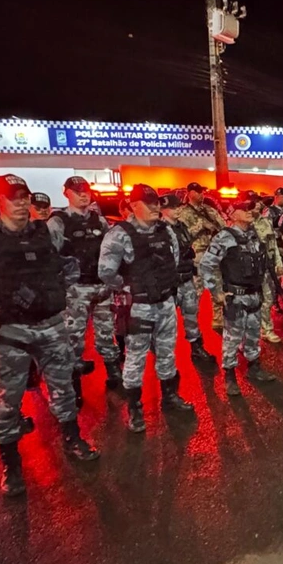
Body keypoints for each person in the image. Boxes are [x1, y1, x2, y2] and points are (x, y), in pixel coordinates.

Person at [0, 174, 99, 495]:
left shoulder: (45, 233)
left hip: (50, 324)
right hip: (9, 332)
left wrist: (58, 293)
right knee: (9, 399)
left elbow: (71, 264)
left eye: (24, 197)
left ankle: (73, 439)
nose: (20, 203)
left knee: (63, 387)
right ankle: (11, 463)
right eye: (13, 197)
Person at [98, 184, 193, 432]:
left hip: (164, 303)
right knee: (136, 358)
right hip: (138, 307)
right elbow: (106, 273)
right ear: (133, 206)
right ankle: (135, 408)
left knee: (167, 352)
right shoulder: (119, 234)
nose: (155, 208)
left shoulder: (165, 230)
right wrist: (129, 286)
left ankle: (170, 397)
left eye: (156, 203)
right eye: (148, 203)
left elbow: (172, 261)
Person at [47, 176, 119, 398]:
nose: (83, 194)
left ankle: (114, 374)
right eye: (77, 191)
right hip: (75, 290)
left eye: (85, 190)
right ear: (66, 193)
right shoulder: (58, 222)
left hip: (101, 287)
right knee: (73, 337)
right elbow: (49, 257)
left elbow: (112, 250)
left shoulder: (100, 221)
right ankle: (73, 383)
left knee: (107, 333)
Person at [200, 196, 278, 396]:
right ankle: (229, 375)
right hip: (235, 296)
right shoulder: (225, 237)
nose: (249, 212)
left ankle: (254, 368)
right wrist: (216, 292)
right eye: (244, 209)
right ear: (232, 214)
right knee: (232, 338)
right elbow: (206, 265)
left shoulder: (253, 234)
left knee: (253, 334)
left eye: (251, 209)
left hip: (254, 294)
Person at [161, 192, 218, 367]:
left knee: (191, 315)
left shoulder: (181, 226)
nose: (177, 210)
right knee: (166, 322)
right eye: (172, 207)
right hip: (170, 282)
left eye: (178, 206)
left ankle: (197, 348)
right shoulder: (160, 229)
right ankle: (165, 357)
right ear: (163, 209)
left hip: (186, 278)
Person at [176, 182, 226, 331]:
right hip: (197, 253)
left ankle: (218, 319)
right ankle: (192, 322)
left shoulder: (208, 210)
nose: (201, 195)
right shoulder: (183, 213)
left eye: (202, 192)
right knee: (196, 289)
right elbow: (183, 235)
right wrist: (200, 226)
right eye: (197, 192)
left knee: (217, 285)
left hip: (213, 252)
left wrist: (213, 218)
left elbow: (223, 225)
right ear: (190, 193)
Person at [251, 199, 283, 345]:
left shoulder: (265, 222)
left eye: (257, 203)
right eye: (253, 204)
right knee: (255, 301)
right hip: (252, 269)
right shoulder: (243, 225)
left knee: (269, 298)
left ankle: (265, 329)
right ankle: (261, 330)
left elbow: (273, 245)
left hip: (268, 266)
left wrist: (278, 264)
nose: (257, 205)